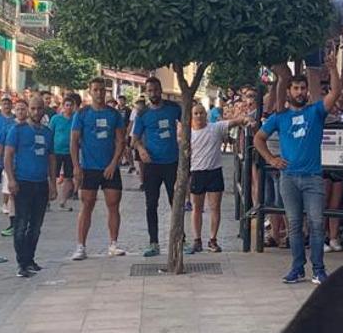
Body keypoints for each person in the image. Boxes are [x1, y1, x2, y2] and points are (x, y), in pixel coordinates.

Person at [255, 51, 343, 285]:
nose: (300, 92)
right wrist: (271, 159)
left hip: (313, 178)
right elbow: (258, 139)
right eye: (295, 88)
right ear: (288, 92)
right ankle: (297, 268)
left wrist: (333, 69)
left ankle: (318, 269)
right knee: (294, 226)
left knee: (315, 224)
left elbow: (335, 92)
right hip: (288, 178)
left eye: (303, 88)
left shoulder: (315, 112)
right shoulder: (279, 117)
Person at [273, 0, 343, 108]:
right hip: (309, 30)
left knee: (324, 72)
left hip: (323, 38)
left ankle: (296, 105)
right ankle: (316, 107)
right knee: (313, 69)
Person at [69, 77, 128, 260]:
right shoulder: (82, 114)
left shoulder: (114, 114)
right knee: (87, 205)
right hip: (89, 167)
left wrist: (114, 163)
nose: (99, 93)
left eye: (102, 90)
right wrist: (76, 166)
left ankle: (113, 244)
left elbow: (120, 141)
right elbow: (74, 141)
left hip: (109, 167)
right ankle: (81, 246)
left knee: (113, 204)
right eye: (95, 90)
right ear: (90, 91)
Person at [188, 104, 253, 253]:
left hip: (214, 172)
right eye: (196, 113)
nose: (199, 116)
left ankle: (212, 239)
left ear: (206, 114)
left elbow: (235, 122)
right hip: (197, 172)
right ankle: (197, 240)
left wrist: (246, 119)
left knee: (214, 207)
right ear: (192, 116)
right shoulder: (189, 133)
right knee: (196, 208)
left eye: (201, 113)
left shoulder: (216, 127)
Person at [131, 77, 181, 257]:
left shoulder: (174, 108)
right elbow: (134, 139)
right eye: (149, 91)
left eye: (155, 90)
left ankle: (179, 239)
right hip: (152, 165)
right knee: (151, 204)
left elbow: (189, 125)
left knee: (175, 202)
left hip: (172, 162)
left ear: (161, 90)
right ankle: (154, 242)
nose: (153, 94)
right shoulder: (142, 114)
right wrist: (141, 149)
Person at [3, 96, 52, 278]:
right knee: (21, 224)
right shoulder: (17, 130)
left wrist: (52, 183)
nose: (36, 112)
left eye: (40, 109)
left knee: (36, 226)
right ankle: (21, 262)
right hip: (23, 182)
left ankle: (30, 259)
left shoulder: (47, 133)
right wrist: (11, 179)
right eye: (33, 108)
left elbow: (51, 158)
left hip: (41, 183)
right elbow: (7, 156)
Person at [51, 93, 79, 211]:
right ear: (63, 106)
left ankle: (63, 201)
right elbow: (50, 133)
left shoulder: (76, 119)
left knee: (68, 177)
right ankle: (48, 199)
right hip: (56, 151)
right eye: (66, 105)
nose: (68, 107)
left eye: (70, 105)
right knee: (52, 175)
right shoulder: (56, 119)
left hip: (70, 152)